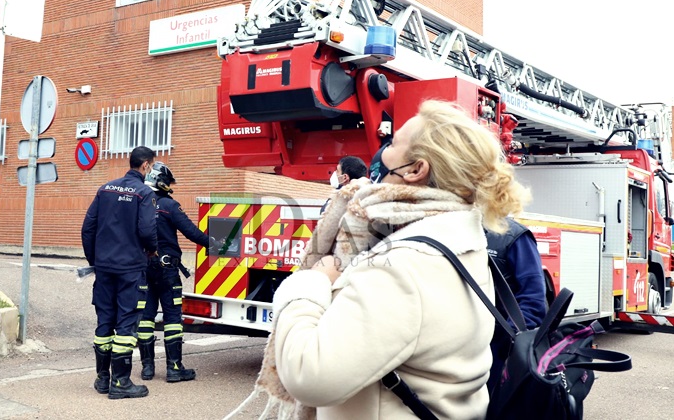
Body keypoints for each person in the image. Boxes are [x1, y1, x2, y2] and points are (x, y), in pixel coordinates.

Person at [267, 100, 530, 419]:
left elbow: (310, 376)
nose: (381, 151)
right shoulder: (460, 239)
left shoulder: (404, 263)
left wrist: (312, 283)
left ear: (416, 170)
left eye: (391, 143)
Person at [81, 146, 158, 400]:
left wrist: (95, 259)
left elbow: (88, 227)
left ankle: (103, 379)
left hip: (104, 268)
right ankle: (122, 382)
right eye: (151, 166)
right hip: (130, 269)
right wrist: (151, 250)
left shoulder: (105, 189)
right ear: (145, 165)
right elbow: (147, 230)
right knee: (126, 321)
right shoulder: (144, 193)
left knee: (104, 320)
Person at [137, 162, 209, 383]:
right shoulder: (169, 205)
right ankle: (174, 369)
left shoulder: (138, 206)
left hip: (144, 269)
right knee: (172, 318)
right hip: (167, 271)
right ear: (162, 183)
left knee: (146, 318)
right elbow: (192, 233)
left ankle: (147, 369)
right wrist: (219, 245)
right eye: (168, 182)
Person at [486, 217, 546, 391]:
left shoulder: (513, 235)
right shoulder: (447, 231)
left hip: (496, 350)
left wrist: (509, 347)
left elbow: (533, 301)